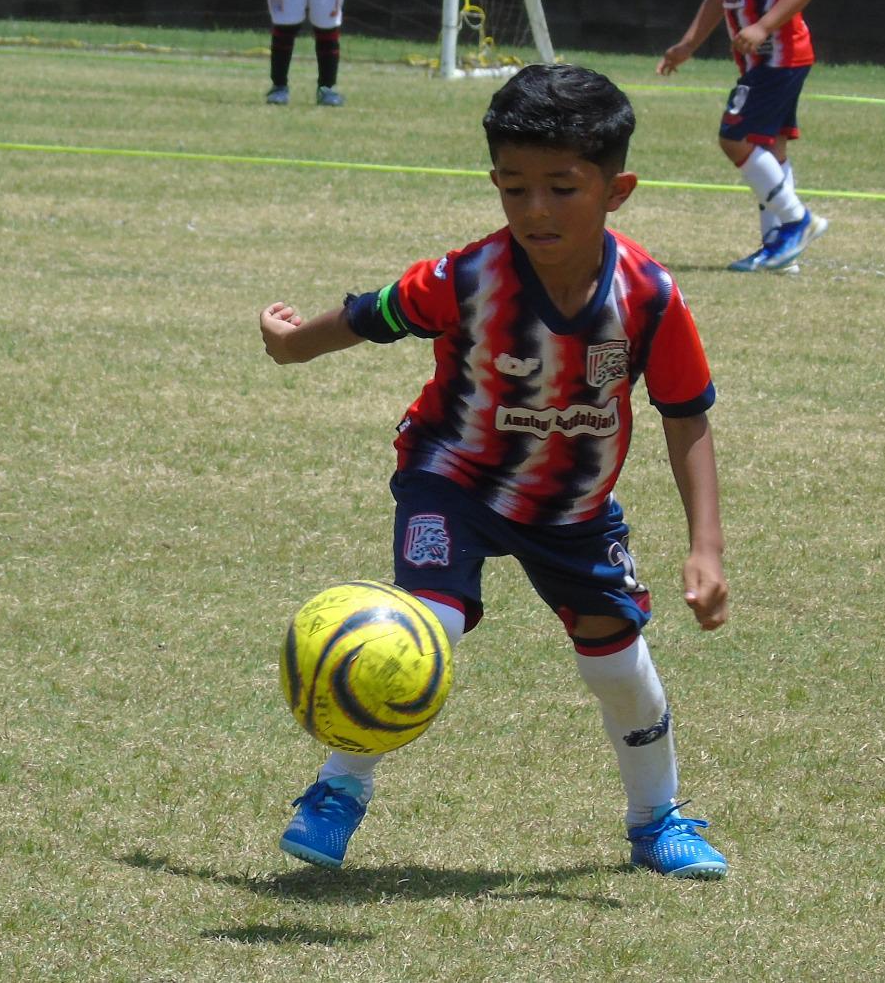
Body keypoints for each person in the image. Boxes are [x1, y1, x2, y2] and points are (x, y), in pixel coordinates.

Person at [259, 63, 731, 879]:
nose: (535, 210)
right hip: (453, 477)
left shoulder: (650, 297)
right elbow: (375, 312)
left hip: (572, 508)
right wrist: (295, 341)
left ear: (617, 190)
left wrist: (707, 546)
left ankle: (658, 819)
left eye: (561, 187)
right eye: (514, 188)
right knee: (425, 625)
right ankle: (337, 792)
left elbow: (686, 415)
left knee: (619, 666)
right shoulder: (468, 277)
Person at [658, 0, 827, 273]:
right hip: (764, 60)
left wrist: (763, 26)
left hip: (780, 55)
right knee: (771, 147)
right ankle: (780, 251)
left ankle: (796, 221)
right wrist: (688, 44)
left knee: (734, 137)